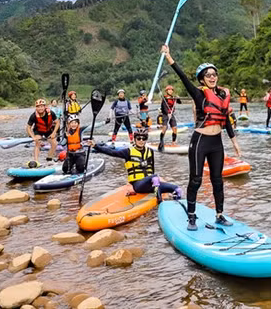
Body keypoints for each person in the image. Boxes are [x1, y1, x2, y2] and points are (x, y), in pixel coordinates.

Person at [162, 44, 242, 231]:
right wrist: (169, 57)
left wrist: (235, 143)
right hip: (200, 142)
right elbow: (182, 77)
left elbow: (226, 120)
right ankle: (191, 217)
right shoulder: (198, 94)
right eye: (208, 75)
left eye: (214, 74)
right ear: (202, 79)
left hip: (217, 143)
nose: (212, 77)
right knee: (196, 180)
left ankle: (220, 215)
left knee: (217, 180)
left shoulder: (222, 95)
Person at [93, 130, 181, 201]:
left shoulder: (150, 151)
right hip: (138, 185)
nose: (141, 141)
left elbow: (152, 168)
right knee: (154, 177)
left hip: (151, 184)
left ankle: (170, 199)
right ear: (135, 139)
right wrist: (95, 146)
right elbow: (112, 152)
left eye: (144, 138)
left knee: (176, 189)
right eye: (139, 138)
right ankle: (159, 199)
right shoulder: (128, 152)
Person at [26, 98, 60, 165]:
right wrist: (33, 137)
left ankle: (49, 158)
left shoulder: (51, 113)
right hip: (38, 130)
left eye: (41, 106)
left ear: (45, 107)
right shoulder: (33, 116)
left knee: (54, 143)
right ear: (36, 108)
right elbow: (28, 127)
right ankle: (36, 161)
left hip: (48, 130)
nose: (40, 108)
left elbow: (57, 123)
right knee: (37, 143)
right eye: (38, 107)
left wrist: (54, 133)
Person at [158, 85, 182, 152]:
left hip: (172, 114)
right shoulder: (165, 98)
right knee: (164, 128)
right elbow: (163, 107)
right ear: (166, 91)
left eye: (171, 90)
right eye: (169, 90)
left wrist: (178, 98)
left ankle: (173, 142)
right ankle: (161, 141)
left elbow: (180, 102)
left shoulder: (173, 98)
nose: (170, 91)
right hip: (165, 114)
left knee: (175, 128)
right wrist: (167, 113)